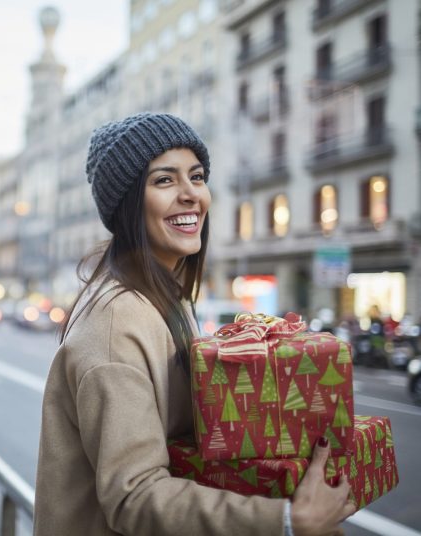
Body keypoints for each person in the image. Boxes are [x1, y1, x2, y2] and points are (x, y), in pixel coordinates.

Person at [33, 113, 355, 536]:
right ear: (128, 203)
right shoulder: (116, 327)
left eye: (197, 177)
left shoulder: (168, 297)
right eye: (164, 181)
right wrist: (287, 521)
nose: (191, 196)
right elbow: (135, 496)